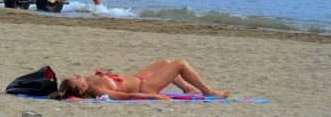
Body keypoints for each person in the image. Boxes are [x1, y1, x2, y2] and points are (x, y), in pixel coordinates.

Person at [52, 58, 230, 101]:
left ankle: (187, 89)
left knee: (164, 62)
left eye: (75, 76)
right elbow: (126, 97)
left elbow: (62, 92)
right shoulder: (96, 90)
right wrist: (154, 97)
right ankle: (208, 91)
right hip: (145, 87)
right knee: (180, 63)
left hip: (138, 78)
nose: (78, 76)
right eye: (77, 80)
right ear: (82, 90)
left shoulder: (89, 81)